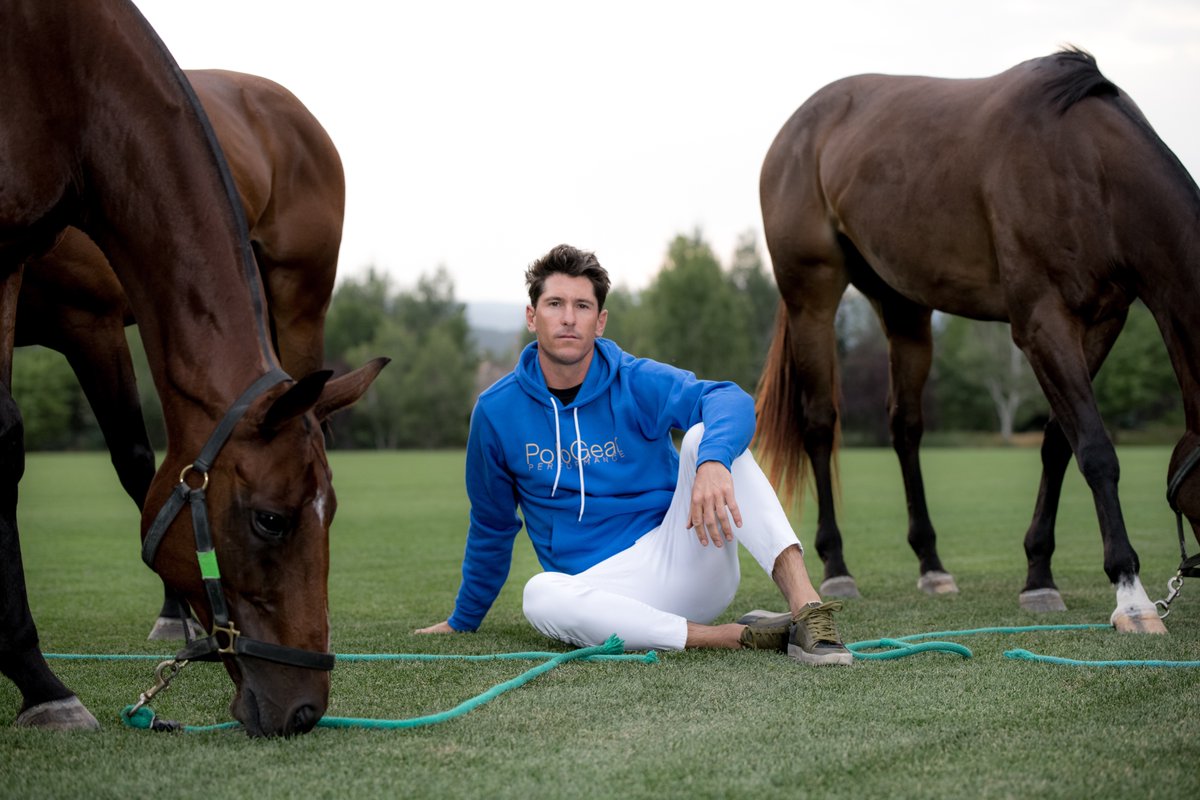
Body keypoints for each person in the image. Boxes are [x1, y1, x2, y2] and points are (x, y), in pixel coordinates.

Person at [416, 244, 851, 664]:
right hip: (598, 591)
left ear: (600, 321)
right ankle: (733, 638)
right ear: (532, 316)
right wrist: (463, 620)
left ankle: (806, 611)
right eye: (554, 304)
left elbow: (728, 398)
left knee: (706, 438)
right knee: (538, 594)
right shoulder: (496, 412)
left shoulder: (634, 379)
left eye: (582, 306)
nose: (568, 318)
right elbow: (492, 526)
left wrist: (713, 462)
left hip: (681, 556)